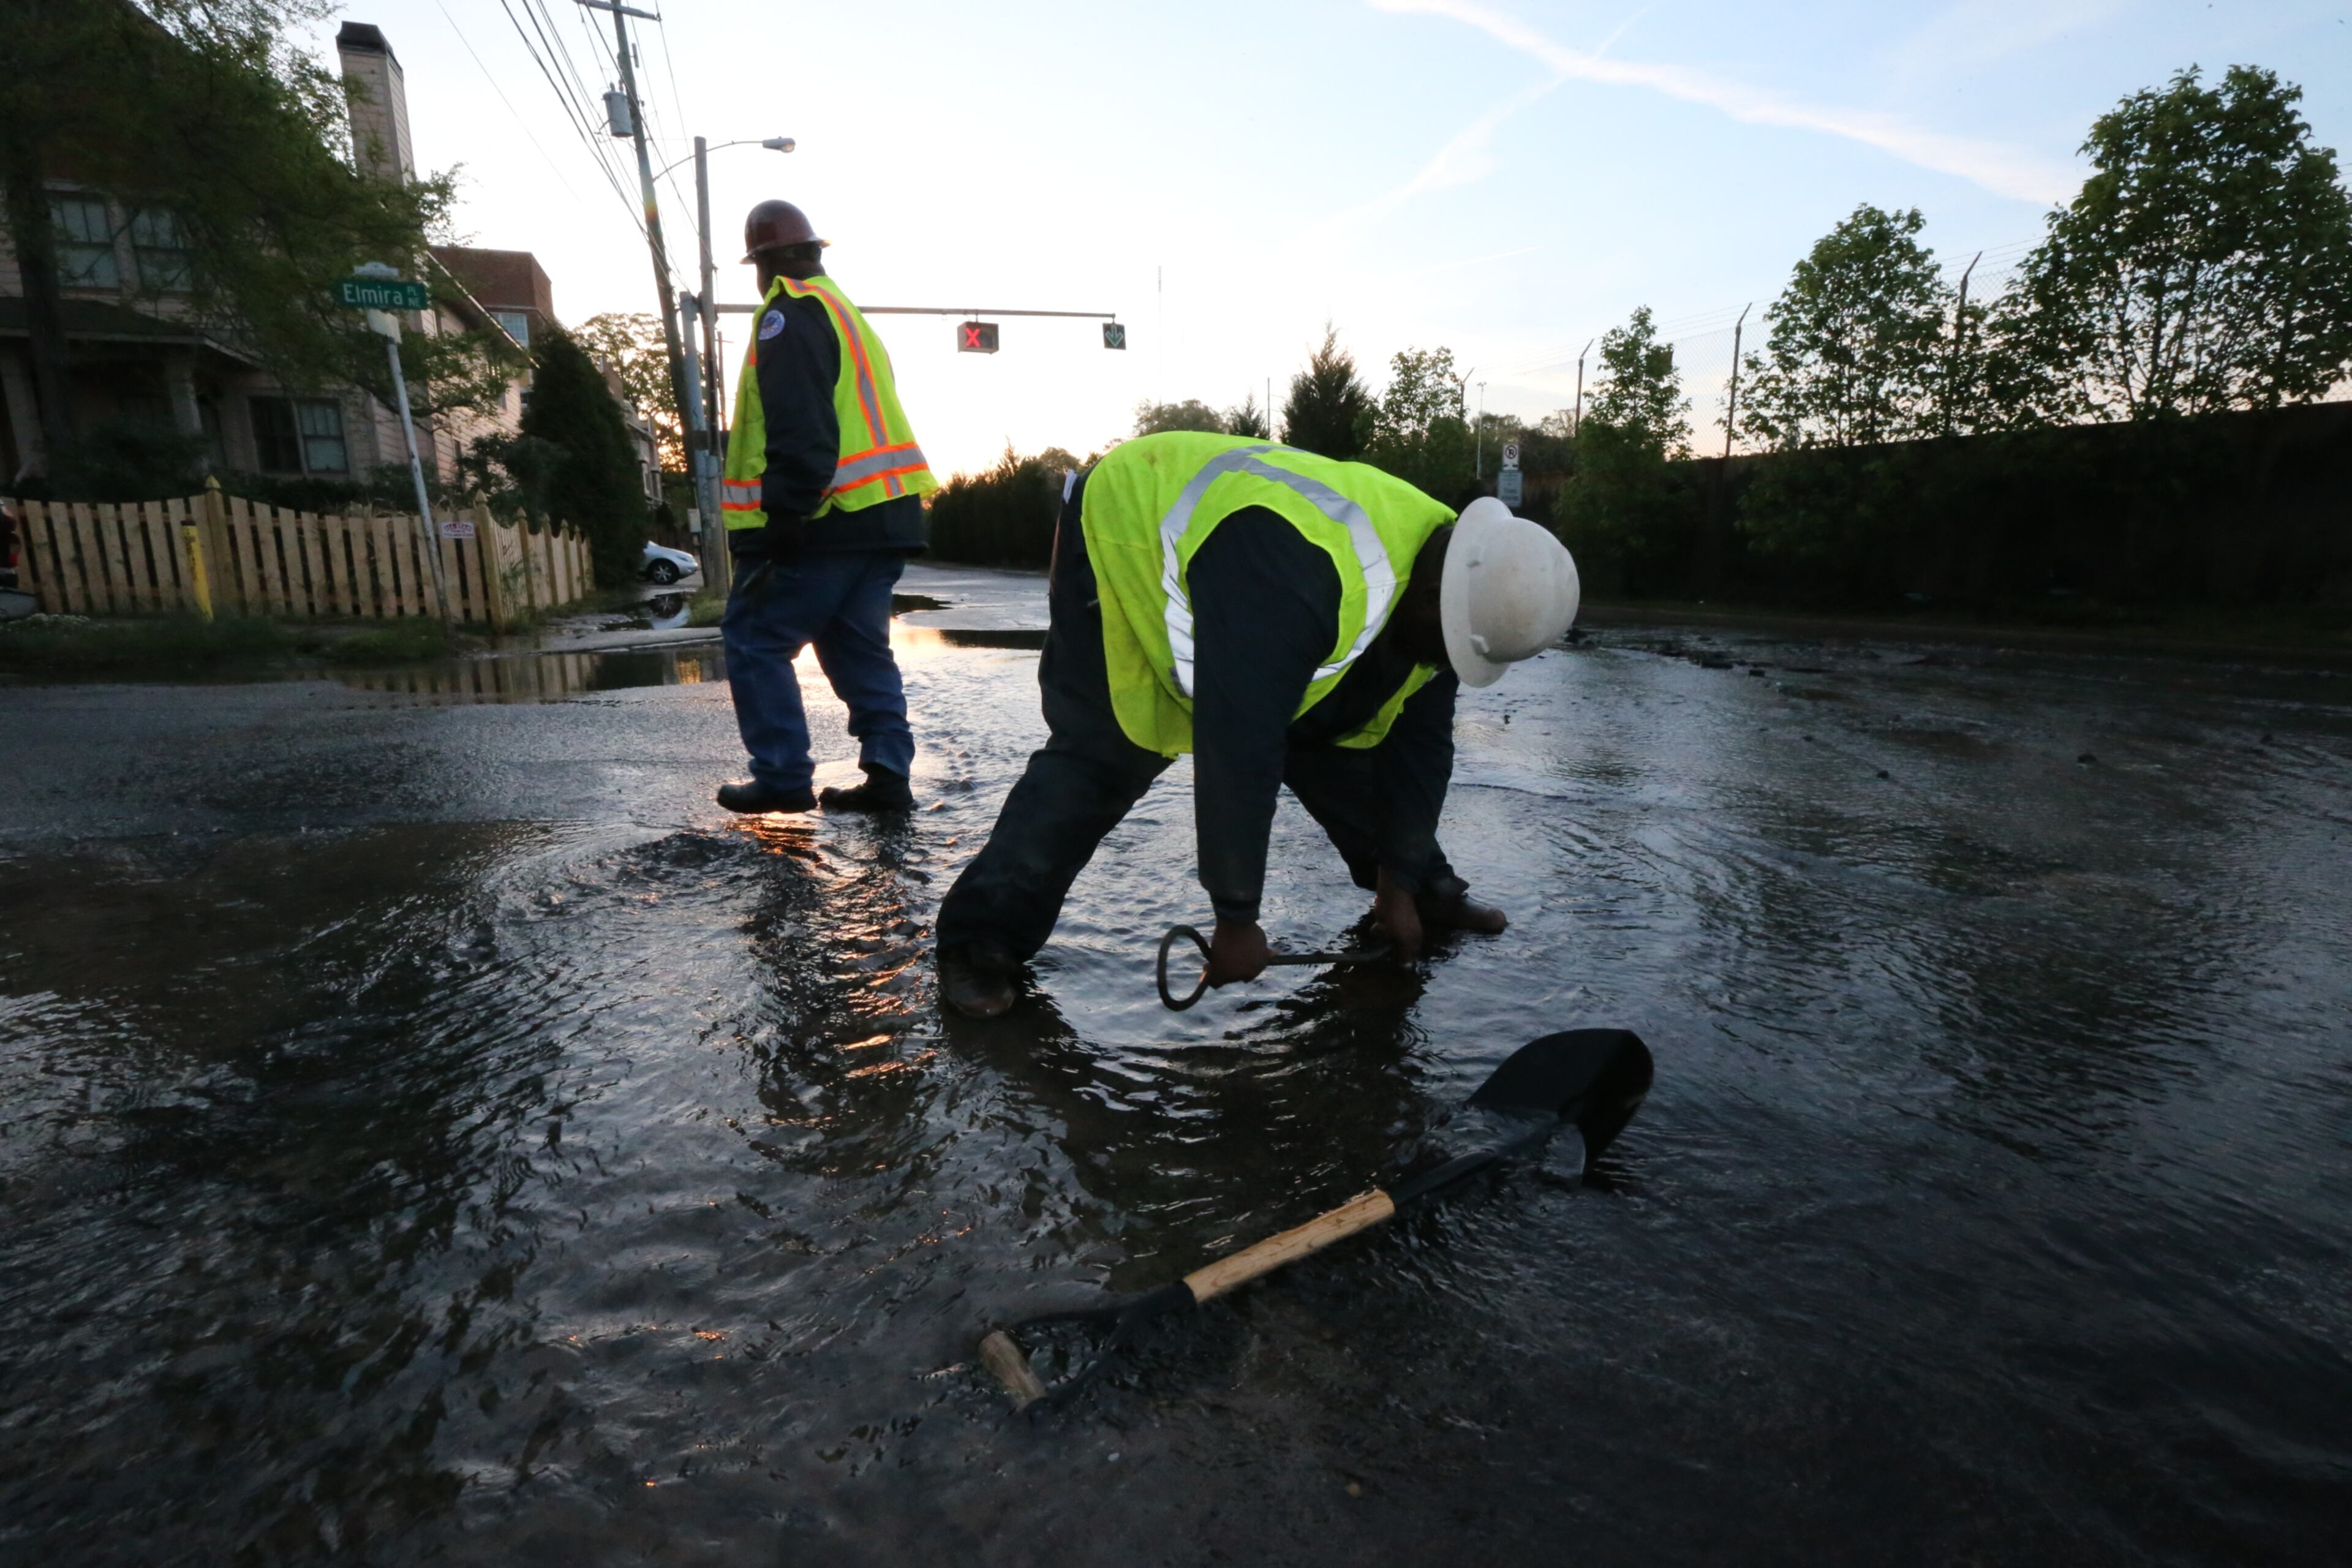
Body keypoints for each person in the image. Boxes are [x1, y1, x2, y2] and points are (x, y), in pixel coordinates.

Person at [935, 431, 1581, 1019]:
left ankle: (1422, 890)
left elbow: (1420, 747)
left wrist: (1400, 882)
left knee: (1348, 732)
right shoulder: (1301, 574)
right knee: (1102, 758)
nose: (1443, 661)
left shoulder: (1461, 576)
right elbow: (1240, 746)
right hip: (1125, 540)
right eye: (1445, 645)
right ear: (1434, 594)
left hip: (1266, 594)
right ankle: (981, 939)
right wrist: (1236, 920)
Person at [714, 200, 935, 816]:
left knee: (756, 639)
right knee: (858, 647)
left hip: (825, 518)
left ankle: (782, 777)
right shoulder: (847, 316)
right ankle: (889, 776)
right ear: (812, 251)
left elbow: (800, 422)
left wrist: (786, 517)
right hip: (881, 515)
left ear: (766, 262)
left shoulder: (789, 315)